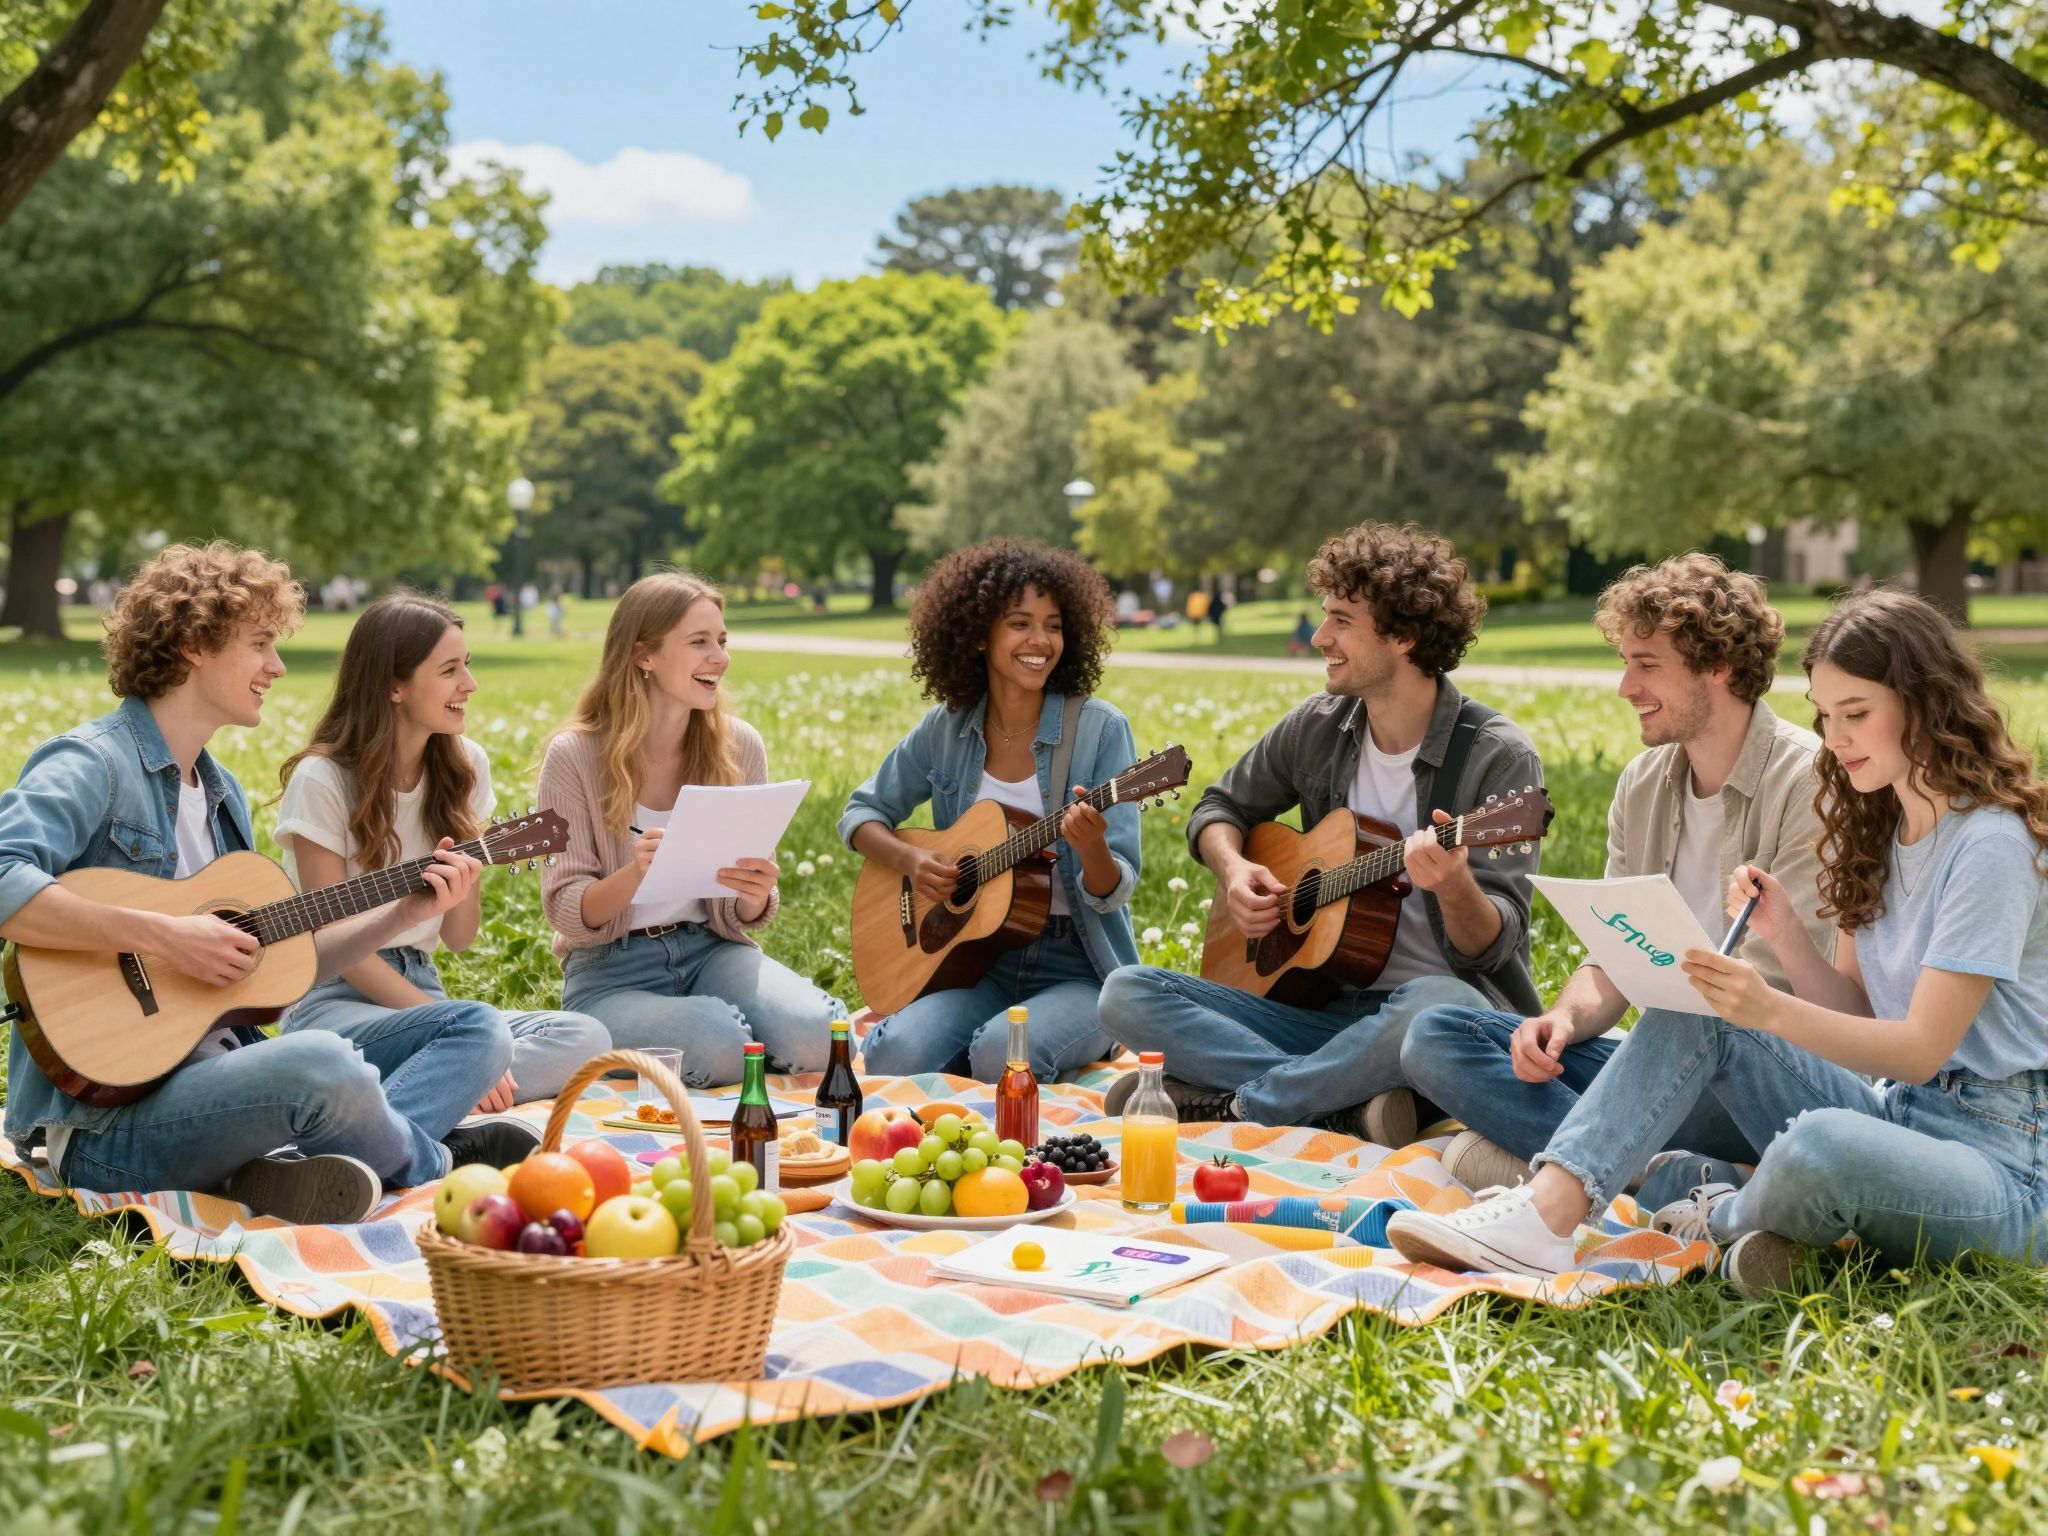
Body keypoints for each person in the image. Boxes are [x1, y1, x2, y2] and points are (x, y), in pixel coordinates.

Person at [1388, 591, 2048, 1295]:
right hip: (1895, 1118)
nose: (1836, 738)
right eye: (1826, 717)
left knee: (1816, 1151)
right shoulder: (1878, 827)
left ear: (1926, 703)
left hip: (2002, 1161)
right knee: (1698, 997)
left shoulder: (1990, 844)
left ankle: (1709, 1207)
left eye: (1857, 715)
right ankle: (1553, 1216)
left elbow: (1920, 1049)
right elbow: (1861, 1010)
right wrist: (1788, 937)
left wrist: (1766, 1007)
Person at [0, 543, 529, 1225]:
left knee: (479, 1027)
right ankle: (433, 1160)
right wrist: (166, 934)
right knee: (321, 1060)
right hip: (102, 1124)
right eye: (259, 645)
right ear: (194, 644)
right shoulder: (95, 763)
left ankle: (322, 1163)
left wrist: (401, 915)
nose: (276, 668)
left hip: (216, 1081)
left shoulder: (221, 797)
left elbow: (282, 968)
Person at [1099, 523, 1544, 1142]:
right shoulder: (1318, 725)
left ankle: (1244, 1104)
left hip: (1427, 1025)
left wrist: (1455, 885)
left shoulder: (1496, 759)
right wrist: (1233, 868)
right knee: (1125, 993)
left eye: (1340, 620)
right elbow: (1218, 806)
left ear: (1404, 636)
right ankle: (1341, 1104)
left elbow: (1493, 947)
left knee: (1442, 1004)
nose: (1319, 637)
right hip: (1314, 1011)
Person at [1397, 555, 1828, 1191]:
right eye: (1625, 662)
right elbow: (1614, 957)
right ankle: (1657, 1176)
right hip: (1653, 1056)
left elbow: (1771, 995)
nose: (1625, 687)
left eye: (1647, 665)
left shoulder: (1808, 779)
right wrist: (1564, 1022)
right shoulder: (1642, 784)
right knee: (1436, 1035)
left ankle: (1584, 1166)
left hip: (1759, 1072)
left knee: (1693, 1022)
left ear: (1719, 667)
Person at [276, 592, 609, 1106]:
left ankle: (416, 1094)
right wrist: (468, 1044)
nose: (469, 685)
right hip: (332, 999)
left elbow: (459, 937)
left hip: (425, 990)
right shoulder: (322, 779)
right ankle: (442, 1087)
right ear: (394, 685)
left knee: (587, 1038)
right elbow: (330, 944)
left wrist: (466, 879)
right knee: (344, 1058)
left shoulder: (464, 766)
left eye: (467, 666)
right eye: (449, 670)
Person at [840, 540, 1140, 1080]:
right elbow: (861, 814)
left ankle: (1079, 1035)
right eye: (1020, 623)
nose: (1040, 641)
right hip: (976, 959)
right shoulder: (948, 727)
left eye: (1053, 625)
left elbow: (1113, 888)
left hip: (1080, 965)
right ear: (979, 634)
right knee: (893, 1055)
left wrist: (1091, 844)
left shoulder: (1100, 729)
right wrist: (911, 863)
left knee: (1002, 1055)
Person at [540, 571, 842, 1085]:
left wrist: (755, 893)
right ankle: (711, 1035)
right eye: (699, 642)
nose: (719, 657)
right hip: (610, 972)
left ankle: (728, 1035)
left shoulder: (739, 747)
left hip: (711, 949)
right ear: (644, 655)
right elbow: (567, 908)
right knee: (717, 1046)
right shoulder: (575, 756)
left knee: (819, 1036)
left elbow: (742, 913)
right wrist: (635, 876)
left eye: (721, 641)